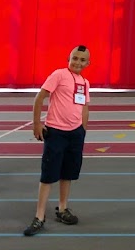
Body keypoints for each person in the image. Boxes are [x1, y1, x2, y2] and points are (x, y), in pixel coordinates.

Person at [23, 45, 91, 237]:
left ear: (88, 63)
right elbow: (40, 97)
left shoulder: (84, 83)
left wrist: (82, 130)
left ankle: (62, 209)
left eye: (82, 60)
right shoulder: (59, 75)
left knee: (67, 173)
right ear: (68, 59)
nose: (77, 62)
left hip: (75, 134)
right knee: (48, 174)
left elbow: (84, 107)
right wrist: (37, 124)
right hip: (56, 133)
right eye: (74, 58)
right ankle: (39, 216)